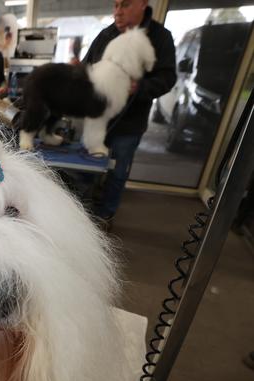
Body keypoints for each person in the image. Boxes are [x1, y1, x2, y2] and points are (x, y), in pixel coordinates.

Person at [83, 0, 176, 224]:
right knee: (86, 169)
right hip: (97, 118)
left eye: (124, 5)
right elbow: (87, 65)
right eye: (115, 5)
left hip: (129, 124)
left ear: (143, 4)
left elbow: (167, 78)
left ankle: (105, 216)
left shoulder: (160, 37)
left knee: (118, 173)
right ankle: (83, 216)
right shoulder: (106, 34)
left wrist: (138, 87)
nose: (117, 12)